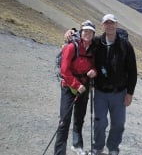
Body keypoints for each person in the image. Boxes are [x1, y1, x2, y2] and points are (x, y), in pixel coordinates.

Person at [65, 14, 137, 155]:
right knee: (100, 123)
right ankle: (97, 148)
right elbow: (82, 40)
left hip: (120, 92)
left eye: (112, 23)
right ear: (103, 25)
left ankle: (113, 149)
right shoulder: (97, 42)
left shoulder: (125, 45)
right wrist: (71, 31)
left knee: (118, 124)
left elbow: (133, 71)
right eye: (106, 23)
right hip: (100, 92)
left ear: (116, 24)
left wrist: (130, 93)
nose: (109, 25)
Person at [54, 20, 97, 155]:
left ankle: (77, 145)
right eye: (85, 31)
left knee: (79, 117)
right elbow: (64, 71)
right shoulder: (71, 47)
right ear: (80, 31)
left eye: (90, 32)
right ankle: (59, 152)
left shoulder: (94, 48)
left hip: (85, 86)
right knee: (64, 121)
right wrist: (77, 85)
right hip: (69, 86)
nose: (87, 34)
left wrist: (94, 71)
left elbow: (96, 65)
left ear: (93, 34)